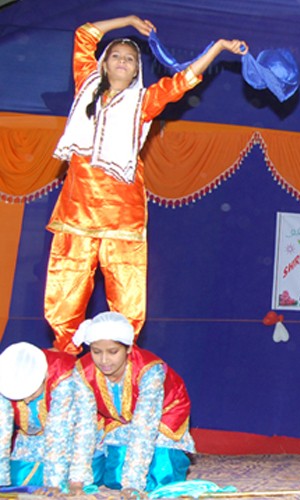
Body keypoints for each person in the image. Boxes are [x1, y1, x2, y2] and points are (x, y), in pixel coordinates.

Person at [44, 16, 248, 354]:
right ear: (104, 63)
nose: (123, 61)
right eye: (117, 56)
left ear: (137, 69)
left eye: (130, 58)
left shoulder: (144, 102)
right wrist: (126, 21)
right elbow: (84, 34)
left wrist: (219, 48)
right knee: (63, 302)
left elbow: (183, 80)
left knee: (128, 305)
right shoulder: (85, 84)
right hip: (76, 215)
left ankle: (121, 372)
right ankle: (64, 369)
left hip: (123, 220)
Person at [68, 311, 195, 497]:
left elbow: (144, 428)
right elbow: (85, 425)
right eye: (96, 352)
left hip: (161, 418)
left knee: (162, 476)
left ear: (128, 349)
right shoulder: (82, 372)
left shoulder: (149, 371)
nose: (104, 360)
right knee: (114, 478)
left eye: (112, 352)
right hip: (118, 421)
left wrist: (133, 485)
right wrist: (76, 480)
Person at [0, 342, 78, 492]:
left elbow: (59, 434)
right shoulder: (5, 375)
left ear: (44, 377)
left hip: (67, 440)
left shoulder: (63, 377)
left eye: (30, 393)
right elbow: (1, 431)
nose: (26, 401)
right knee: (18, 481)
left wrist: (54, 484)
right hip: (28, 441)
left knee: (58, 485)